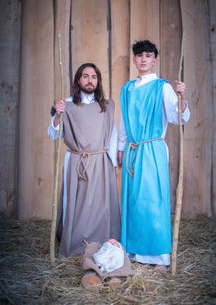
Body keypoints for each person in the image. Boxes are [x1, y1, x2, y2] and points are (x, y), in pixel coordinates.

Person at [117, 40, 190, 271]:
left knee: (152, 200)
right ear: (135, 59)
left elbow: (178, 118)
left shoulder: (162, 87)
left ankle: (159, 256)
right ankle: (136, 252)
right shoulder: (127, 88)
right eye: (139, 55)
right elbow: (124, 123)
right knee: (133, 201)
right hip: (132, 149)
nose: (143, 59)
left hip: (152, 149)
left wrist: (182, 97)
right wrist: (120, 148)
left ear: (154, 59)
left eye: (148, 55)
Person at [48, 62, 121, 259]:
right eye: (86, 76)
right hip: (77, 162)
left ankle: (101, 242)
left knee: (101, 206)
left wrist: (113, 163)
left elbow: (112, 135)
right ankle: (76, 243)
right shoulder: (67, 105)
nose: (90, 80)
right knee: (77, 205)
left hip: (100, 161)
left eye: (94, 77)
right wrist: (57, 114)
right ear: (78, 80)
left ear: (98, 81)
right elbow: (54, 134)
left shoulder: (106, 106)